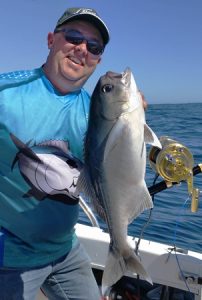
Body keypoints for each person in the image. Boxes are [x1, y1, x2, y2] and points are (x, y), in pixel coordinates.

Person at [0, 7, 110, 300]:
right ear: (51, 40)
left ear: (98, 59)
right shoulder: (6, 92)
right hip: (8, 260)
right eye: (73, 37)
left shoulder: (97, 113)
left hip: (66, 252)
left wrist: (130, 123)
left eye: (94, 47)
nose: (82, 49)